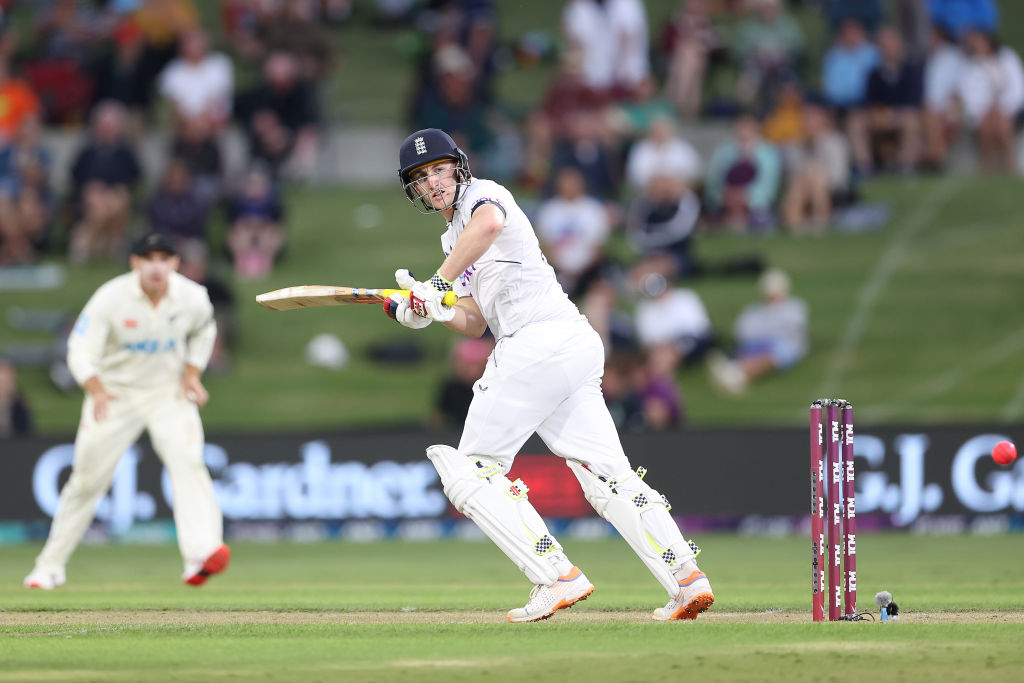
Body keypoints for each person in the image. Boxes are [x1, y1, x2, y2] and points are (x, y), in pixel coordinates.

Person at [383, 128, 712, 622]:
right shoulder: (454, 238)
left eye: (439, 170)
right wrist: (433, 308)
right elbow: (475, 321)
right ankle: (685, 579)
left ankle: (554, 574)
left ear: (459, 165)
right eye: (421, 177)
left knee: (470, 470)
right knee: (607, 477)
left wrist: (435, 285)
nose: (433, 183)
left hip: (535, 344)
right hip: (568, 345)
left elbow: (490, 224)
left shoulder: (484, 196)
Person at [24, 233, 229, 591]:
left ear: (175, 264)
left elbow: (205, 329)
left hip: (168, 392)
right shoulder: (111, 298)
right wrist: (96, 388)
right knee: (86, 481)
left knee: (189, 463)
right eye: (148, 258)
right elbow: (80, 348)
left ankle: (201, 553)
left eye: (164, 259)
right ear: (135, 263)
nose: (156, 266)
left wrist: (192, 372)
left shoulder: (192, 297)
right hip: (114, 395)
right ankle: (49, 566)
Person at [708, 268, 808, 395]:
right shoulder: (753, 311)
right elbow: (742, 332)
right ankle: (734, 372)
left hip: (780, 345)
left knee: (776, 353)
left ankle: (736, 374)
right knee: (748, 348)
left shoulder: (795, 307)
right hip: (755, 344)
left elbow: (793, 332)